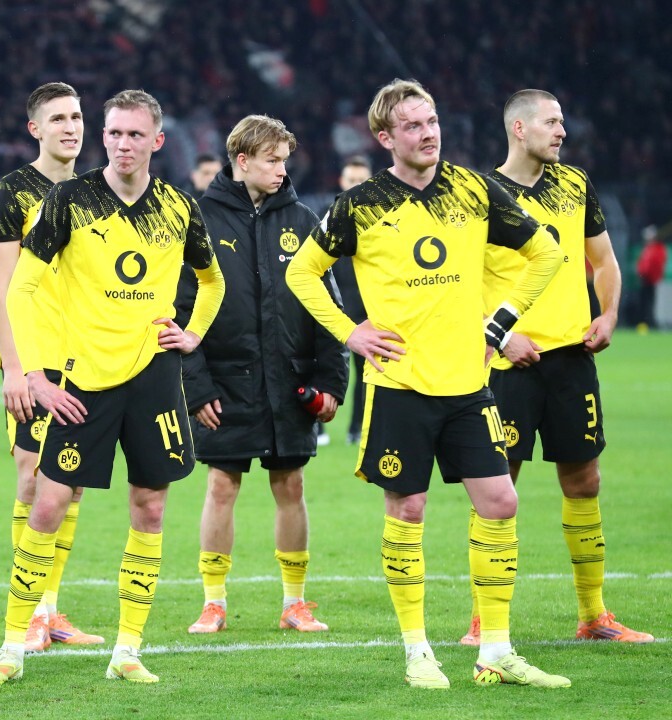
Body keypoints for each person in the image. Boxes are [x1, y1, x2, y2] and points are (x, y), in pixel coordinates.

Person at [286, 78, 569, 689]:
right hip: (400, 385)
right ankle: (418, 652)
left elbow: (546, 253)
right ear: (385, 137)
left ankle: (496, 651)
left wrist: (500, 322)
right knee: (407, 508)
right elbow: (303, 273)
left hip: (468, 382)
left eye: (432, 120)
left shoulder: (473, 189)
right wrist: (350, 331)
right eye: (413, 125)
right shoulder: (360, 204)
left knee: (501, 503)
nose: (428, 133)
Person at [0, 89, 225, 686]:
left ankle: (127, 650)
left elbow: (213, 280)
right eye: (113, 133)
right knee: (48, 504)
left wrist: (191, 334)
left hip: (154, 378)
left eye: (134, 135)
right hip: (82, 379)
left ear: (157, 141)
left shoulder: (179, 207)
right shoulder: (68, 201)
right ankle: (12, 647)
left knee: (150, 506)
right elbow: (22, 288)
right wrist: (34, 373)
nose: (121, 144)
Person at [460, 89, 653, 646]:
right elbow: (458, 284)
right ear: (519, 129)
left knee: (585, 480)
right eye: (551, 121)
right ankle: (483, 620)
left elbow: (604, 261)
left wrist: (609, 314)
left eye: (562, 121)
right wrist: (501, 334)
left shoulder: (575, 184)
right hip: (506, 366)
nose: (562, 131)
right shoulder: (481, 195)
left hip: (572, 359)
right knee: (498, 489)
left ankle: (594, 616)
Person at [174, 115, 348, 636]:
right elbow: (179, 314)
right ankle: (213, 602)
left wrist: (332, 383)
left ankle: (295, 603)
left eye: (284, 161)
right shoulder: (199, 219)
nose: (281, 170)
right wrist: (196, 387)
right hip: (224, 384)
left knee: (291, 484)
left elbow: (327, 307)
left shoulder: (302, 218)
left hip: (289, 383)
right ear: (242, 160)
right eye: (272, 160)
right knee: (221, 486)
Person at [0, 81, 102, 651]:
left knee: (70, 485)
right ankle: (29, 611)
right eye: (57, 119)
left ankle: (50, 610)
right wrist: (13, 367)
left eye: (76, 117)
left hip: (88, 358)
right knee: (32, 477)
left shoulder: (96, 192)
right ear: (35, 129)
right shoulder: (10, 193)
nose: (70, 127)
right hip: (33, 359)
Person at [325, 156, 372, 445]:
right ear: (342, 182)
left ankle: (357, 428)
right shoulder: (327, 221)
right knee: (322, 369)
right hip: (332, 314)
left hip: (368, 314)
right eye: (352, 180)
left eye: (362, 180)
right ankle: (317, 429)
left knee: (367, 374)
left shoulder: (384, 223)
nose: (356, 185)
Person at [636, 224, 667, 329]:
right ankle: (645, 322)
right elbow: (642, 264)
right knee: (645, 302)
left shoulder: (658, 248)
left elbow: (656, 265)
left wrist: (651, 276)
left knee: (651, 303)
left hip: (653, 281)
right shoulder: (647, 249)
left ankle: (651, 323)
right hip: (644, 280)